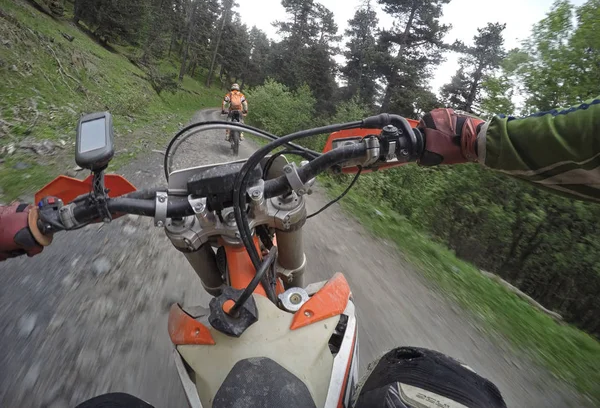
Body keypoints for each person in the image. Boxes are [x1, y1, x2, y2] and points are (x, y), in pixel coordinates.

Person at [1, 96, 598, 408]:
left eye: (236, 100)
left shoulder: (237, 97)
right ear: (233, 97)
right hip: (274, 162)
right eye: (235, 100)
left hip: (243, 142)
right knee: (438, 383)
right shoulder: (234, 96)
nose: (235, 99)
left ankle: (236, 136)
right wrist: (439, 137)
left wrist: (36, 219)